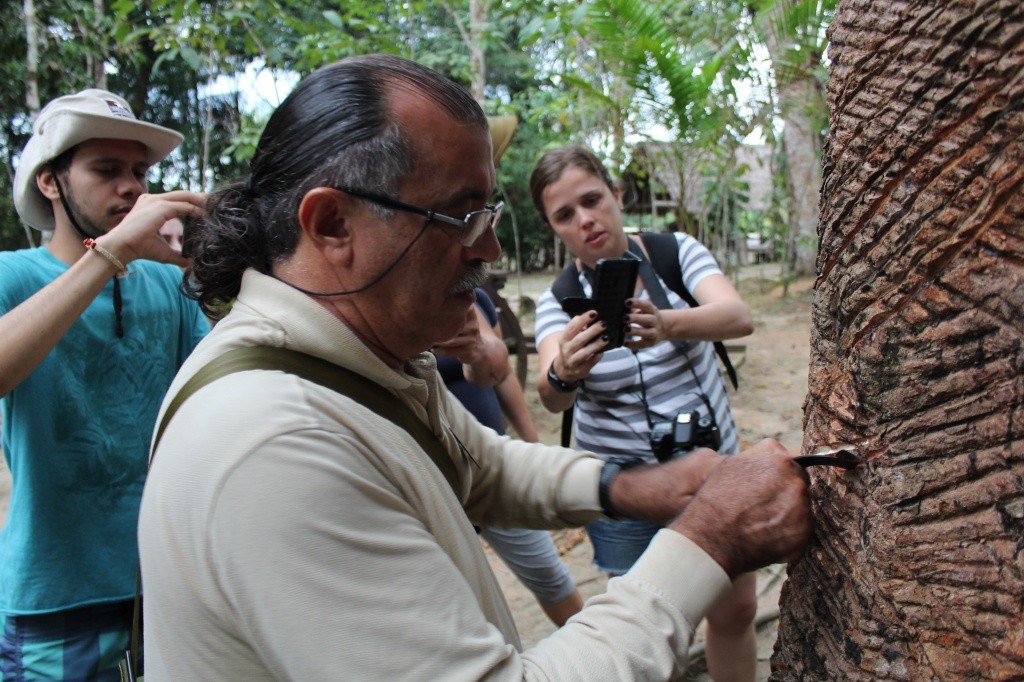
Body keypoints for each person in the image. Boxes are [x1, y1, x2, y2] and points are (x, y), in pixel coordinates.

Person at [138, 53, 812, 680]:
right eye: (460, 216)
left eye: (486, 212)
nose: (488, 247)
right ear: (333, 225)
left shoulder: (360, 356)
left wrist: (633, 487)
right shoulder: (275, 448)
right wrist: (707, 540)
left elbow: (476, 462)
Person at [0, 89, 209, 679]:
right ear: (50, 182)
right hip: (55, 598)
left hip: (167, 585)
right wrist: (110, 254)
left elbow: (215, 391)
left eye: (140, 172)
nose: (132, 188)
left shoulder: (168, 286)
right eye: (107, 170)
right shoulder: (13, 276)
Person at [530, 145, 758, 681]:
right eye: (565, 215)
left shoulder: (675, 252)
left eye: (592, 200)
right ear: (553, 227)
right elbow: (551, 393)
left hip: (712, 468)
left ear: (616, 194)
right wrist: (567, 367)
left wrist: (669, 324)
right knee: (645, 632)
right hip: (627, 491)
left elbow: (738, 316)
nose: (585, 220)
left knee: (736, 608)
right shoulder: (557, 301)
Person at [433, 288, 585, 626]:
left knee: (549, 574)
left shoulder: (475, 300)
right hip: (437, 481)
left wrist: (532, 446)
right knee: (458, 590)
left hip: (491, 466)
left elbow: (498, 376)